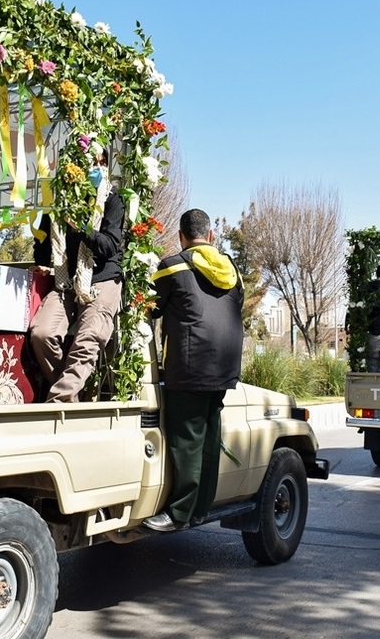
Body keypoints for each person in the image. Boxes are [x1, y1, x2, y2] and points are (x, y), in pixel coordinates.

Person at [143, 209, 244, 532]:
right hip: (224, 364)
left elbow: (150, 307)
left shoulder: (173, 266)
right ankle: (201, 509)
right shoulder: (232, 270)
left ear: (181, 237)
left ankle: (179, 513)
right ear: (210, 236)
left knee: (187, 439)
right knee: (210, 436)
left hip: (189, 363)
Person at [29, 151, 123, 403]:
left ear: (103, 165)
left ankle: (58, 403)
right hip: (66, 281)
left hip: (102, 279)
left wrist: (82, 228)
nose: (90, 167)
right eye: (82, 162)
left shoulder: (111, 200)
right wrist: (42, 264)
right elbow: (43, 244)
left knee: (87, 337)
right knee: (42, 334)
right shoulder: (57, 203)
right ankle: (73, 398)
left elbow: (110, 246)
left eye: (96, 162)